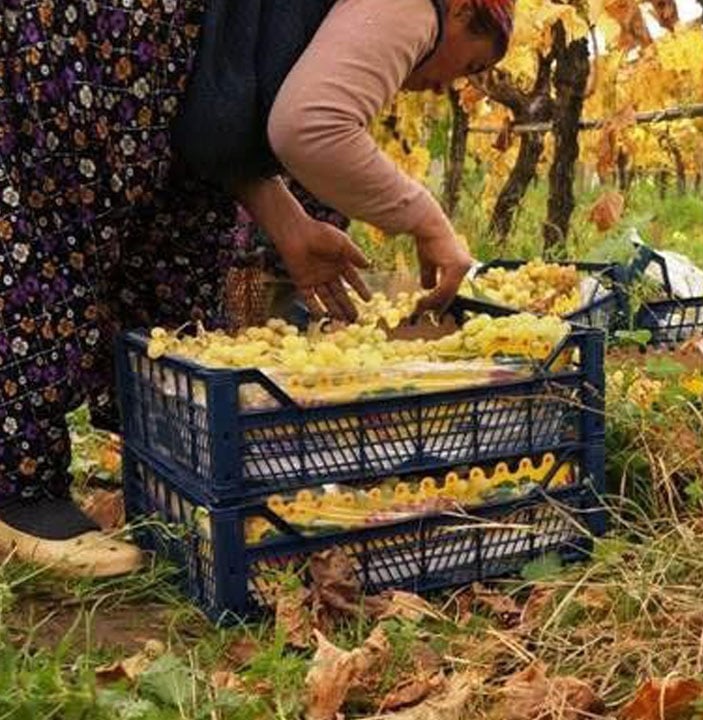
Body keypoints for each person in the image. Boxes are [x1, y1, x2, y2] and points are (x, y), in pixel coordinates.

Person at [0, 0, 513, 576]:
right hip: (100, 44)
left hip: (155, 72)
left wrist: (290, 225)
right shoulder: (422, 6)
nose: (447, 86)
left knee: (176, 251)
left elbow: (215, 124)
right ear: (463, 11)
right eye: (471, 65)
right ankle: (20, 490)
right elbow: (313, 127)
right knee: (61, 233)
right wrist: (430, 222)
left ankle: (173, 464)